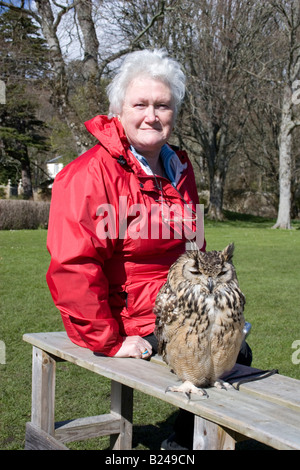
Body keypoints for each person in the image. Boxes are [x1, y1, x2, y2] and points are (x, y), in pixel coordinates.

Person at [46, 49, 251, 450]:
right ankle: (186, 446)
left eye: (163, 105)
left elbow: (195, 251)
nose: (151, 115)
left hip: (179, 305)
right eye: (140, 104)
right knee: (223, 354)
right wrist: (110, 339)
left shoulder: (177, 168)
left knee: (235, 347)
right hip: (128, 320)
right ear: (118, 109)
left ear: (175, 112)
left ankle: (185, 441)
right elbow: (73, 265)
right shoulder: (90, 174)